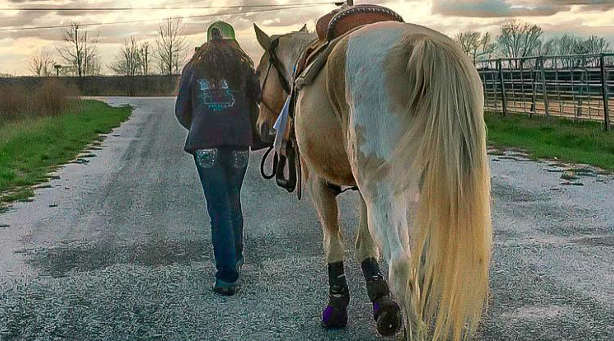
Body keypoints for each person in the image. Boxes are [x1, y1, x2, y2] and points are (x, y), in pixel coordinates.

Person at [175, 21, 260, 296]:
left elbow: (181, 110)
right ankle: (233, 258)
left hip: (206, 146)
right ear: (233, 40)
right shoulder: (244, 66)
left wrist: (200, 125)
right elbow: (258, 101)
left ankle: (226, 276)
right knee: (233, 199)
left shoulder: (193, 66)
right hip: (238, 144)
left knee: (218, 207)